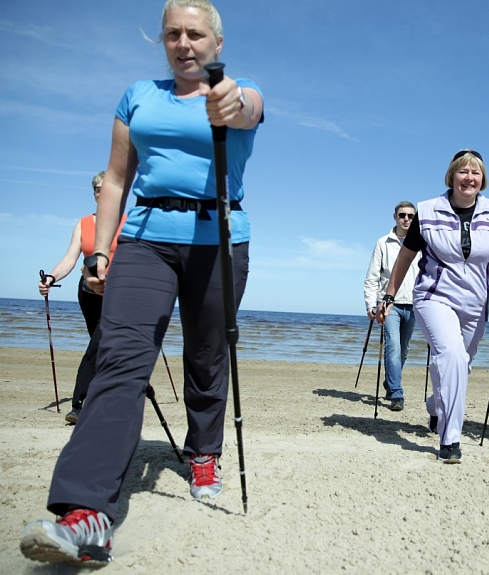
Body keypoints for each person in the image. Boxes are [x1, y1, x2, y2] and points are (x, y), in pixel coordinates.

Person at [20, 0, 264, 566]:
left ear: (217, 43)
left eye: (195, 34)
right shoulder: (138, 95)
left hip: (221, 239)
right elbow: (116, 179)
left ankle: (204, 453)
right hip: (145, 238)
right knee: (121, 358)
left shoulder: (239, 87)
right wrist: (100, 251)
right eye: (172, 33)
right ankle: (84, 514)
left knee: (206, 357)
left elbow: (248, 109)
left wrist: (231, 100)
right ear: (161, 39)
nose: (184, 43)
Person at [377, 149, 489, 464]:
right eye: (463, 171)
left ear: (483, 180)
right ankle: (449, 439)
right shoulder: (427, 211)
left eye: (476, 173)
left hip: (475, 303)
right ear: (451, 176)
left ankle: (435, 406)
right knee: (451, 356)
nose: (469, 178)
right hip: (434, 296)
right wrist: (389, 295)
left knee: (460, 367)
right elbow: (405, 256)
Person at [38, 171, 127, 424]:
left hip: (116, 293)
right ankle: (110, 393)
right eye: (97, 189)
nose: (101, 192)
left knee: (97, 346)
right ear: (94, 193)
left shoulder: (127, 222)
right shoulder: (84, 223)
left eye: (105, 187)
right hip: (88, 294)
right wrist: (52, 278)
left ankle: (79, 404)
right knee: (101, 346)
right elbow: (70, 259)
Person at [363, 201, 420, 411]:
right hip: (390, 305)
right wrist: (371, 304)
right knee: (393, 347)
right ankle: (397, 393)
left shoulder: (422, 243)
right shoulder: (382, 243)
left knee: (403, 350)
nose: (406, 219)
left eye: (411, 216)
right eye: (402, 215)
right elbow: (372, 277)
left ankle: (390, 381)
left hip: (414, 305)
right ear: (395, 217)